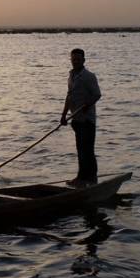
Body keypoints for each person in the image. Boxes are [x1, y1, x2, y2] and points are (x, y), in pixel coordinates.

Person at [60, 48, 102, 187]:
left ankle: (91, 179)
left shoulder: (89, 76)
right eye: (73, 59)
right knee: (80, 150)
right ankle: (82, 178)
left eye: (78, 59)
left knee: (87, 150)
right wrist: (63, 115)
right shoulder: (71, 76)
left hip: (87, 120)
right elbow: (69, 96)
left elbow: (97, 94)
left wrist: (87, 105)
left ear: (83, 60)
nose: (75, 62)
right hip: (76, 119)